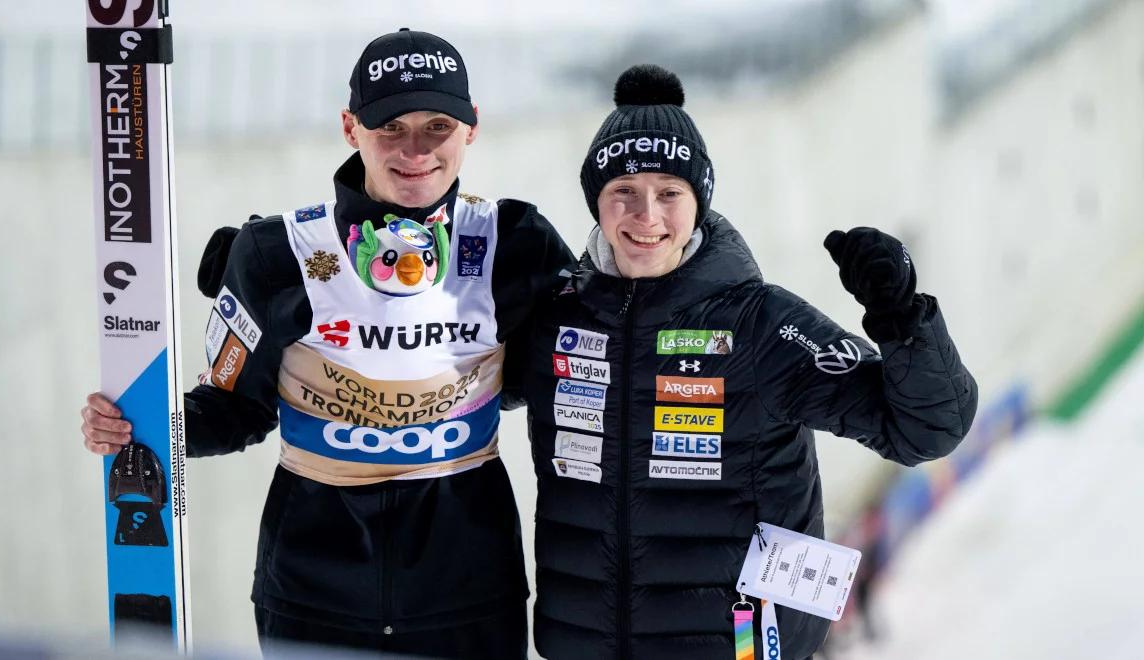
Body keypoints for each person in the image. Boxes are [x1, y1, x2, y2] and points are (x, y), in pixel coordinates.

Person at [81, 28, 573, 658]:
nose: (415, 150)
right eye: (390, 127)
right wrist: (142, 427)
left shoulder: (514, 242)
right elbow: (236, 410)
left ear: (472, 126)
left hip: (467, 589)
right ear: (350, 128)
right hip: (315, 593)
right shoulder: (277, 253)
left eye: (438, 126)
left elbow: (562, 373)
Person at [511, 64, 978, 660]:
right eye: (623, 192)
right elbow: (461, 384)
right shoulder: (560, 318)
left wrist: (902, 319)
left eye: (669, 194)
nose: (646, 216)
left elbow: (927, 429)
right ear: (596, 204)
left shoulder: (760, 324)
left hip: (739, 648)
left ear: (699, 202)